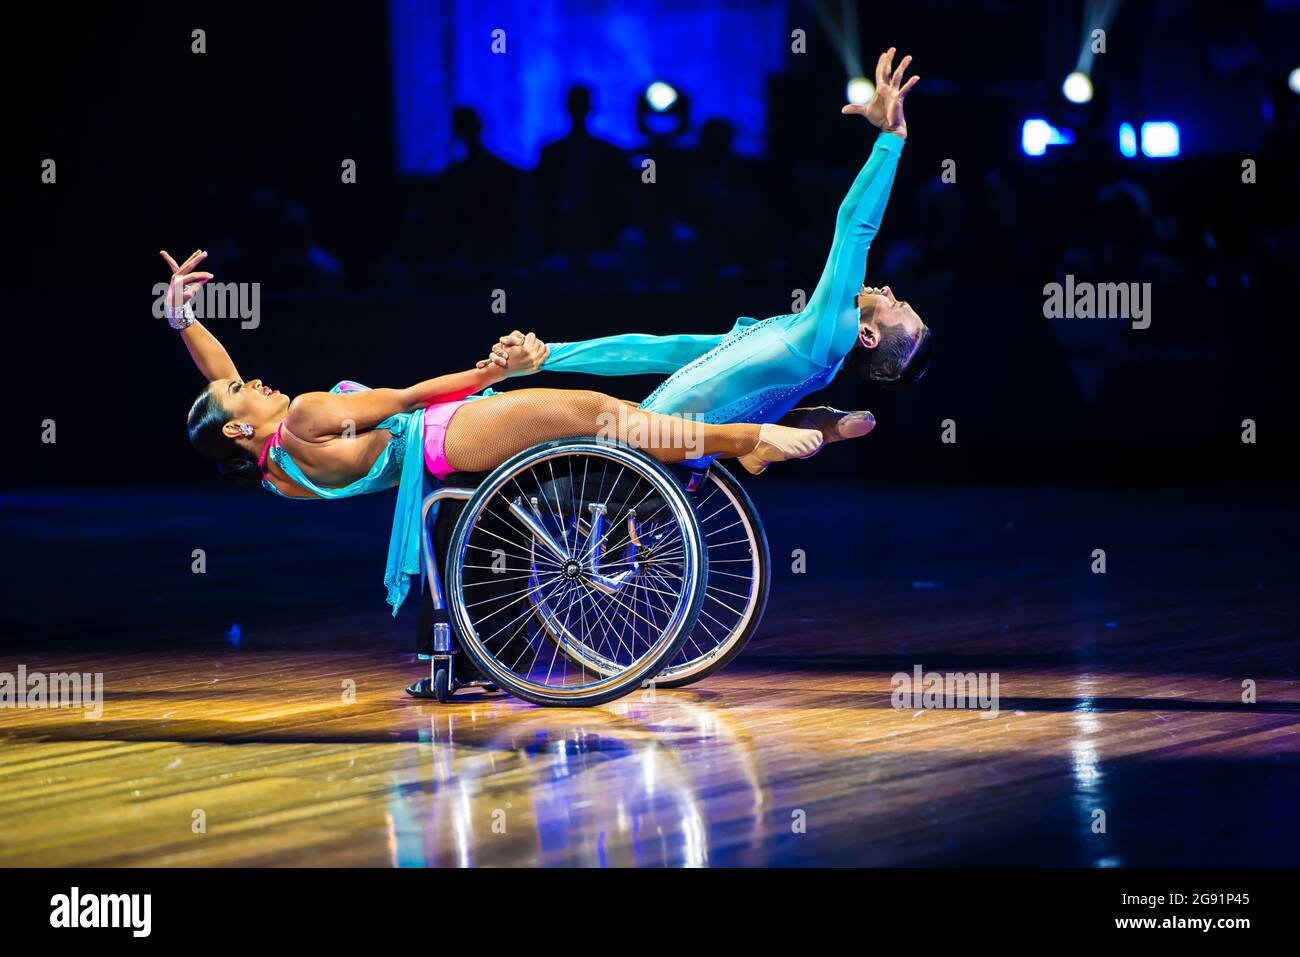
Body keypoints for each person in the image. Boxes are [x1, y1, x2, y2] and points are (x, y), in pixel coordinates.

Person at [161, 249, 824, 615]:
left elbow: (220, 383)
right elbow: (411, 397)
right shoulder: (304, 414)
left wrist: (183, 320)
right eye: (244, 390)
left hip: (433, 455)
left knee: (616, 419)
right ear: (240, 425)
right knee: (600, 413)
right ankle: (745, 439)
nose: (254, 380)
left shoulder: (275, 472)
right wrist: (491, 373)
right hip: (442, 431)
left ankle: (763, 431)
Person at [488, 48, 932, 466]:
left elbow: (855, 228)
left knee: (504, 410)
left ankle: (789, 433)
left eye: (895, 305)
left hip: (651, 443)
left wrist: (891, 139)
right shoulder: (800, 346)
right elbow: (658, 350)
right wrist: (552, 354)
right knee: (567, 406)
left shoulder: (828, 335)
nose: (888, 290)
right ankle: (801, 429)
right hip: (661, 444)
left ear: (866, 336)